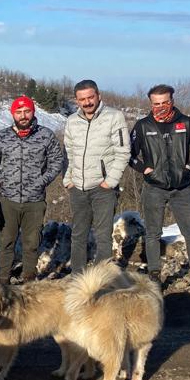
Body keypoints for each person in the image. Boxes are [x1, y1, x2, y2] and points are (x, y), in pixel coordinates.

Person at [130, 84, 190, 292]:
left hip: (182, 187)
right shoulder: (142, 126)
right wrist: (144, 169)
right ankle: (154, 277)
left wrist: (189, 167)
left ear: (172, 101)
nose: (160, 107)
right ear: (151, 103)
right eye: (156, 103)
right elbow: (129, 156)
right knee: (152, 234)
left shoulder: (187, 123)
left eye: (164, 103)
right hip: (154, 188)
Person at [0, 96, 65, 284]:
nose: (23, 116)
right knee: (6, 242)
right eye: (19, 112)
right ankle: (3, 280)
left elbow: (57, 160)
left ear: (33, 112)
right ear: (13, 114)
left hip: (34, 201)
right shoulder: (3, 136)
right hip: (8, 200)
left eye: (26, 111)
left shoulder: (46, 135)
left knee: (32, 243)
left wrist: (42, 181)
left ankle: (28, 281)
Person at [62, 80, 129, 274]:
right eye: (82, 99)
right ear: (77, 101)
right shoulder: (72, 121)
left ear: (98, 95)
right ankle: (78, 278)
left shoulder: (114, 117)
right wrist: (68, 180)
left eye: (90, 97)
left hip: (103, 188)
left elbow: (123, 152)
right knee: (78, 234)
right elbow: (69, 152)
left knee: (103, 236)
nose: (87, 102)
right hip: (78, 187)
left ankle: (102, 278)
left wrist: (110, 181)